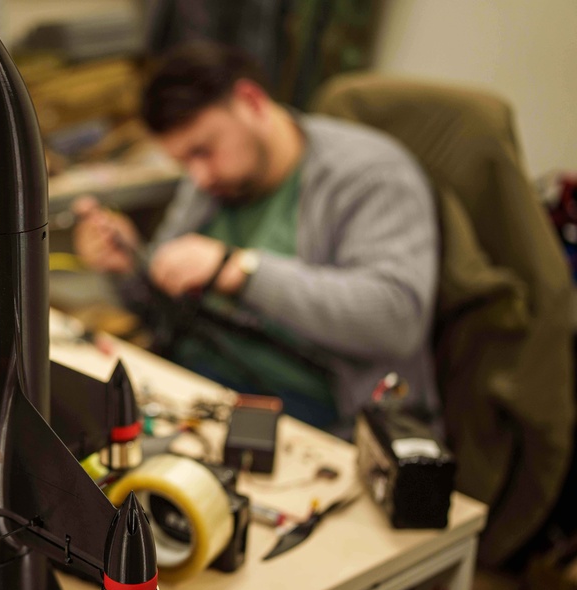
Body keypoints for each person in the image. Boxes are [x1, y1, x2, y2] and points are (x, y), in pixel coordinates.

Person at [73, 43, 439, 434]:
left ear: (251, 101)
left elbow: (396, 319)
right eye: (184, 162)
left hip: (315, 415)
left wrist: (240, 270)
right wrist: (128, 265)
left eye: (203, 151)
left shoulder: (371, 176)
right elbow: (163, 313)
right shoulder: (215, 182)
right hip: (198, 388)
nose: (199, 178)